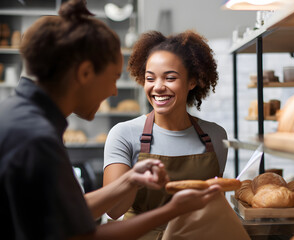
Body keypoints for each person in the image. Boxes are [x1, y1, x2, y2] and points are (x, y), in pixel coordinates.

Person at [0, 1, 220, 239]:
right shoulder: (36, 138)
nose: (114, 91)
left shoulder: (18, 118)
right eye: (114, 77)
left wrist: (129, 180)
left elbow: (64, 213)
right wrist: (172, 211)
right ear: (85, 73)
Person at [103, 30, 228, 238]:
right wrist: (135, 180)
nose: (158, 87)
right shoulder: (124, 134)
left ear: (192, 81)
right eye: (150, 78)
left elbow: (213, 206)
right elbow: (114, 210)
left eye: (170, 78)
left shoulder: (215, 135)